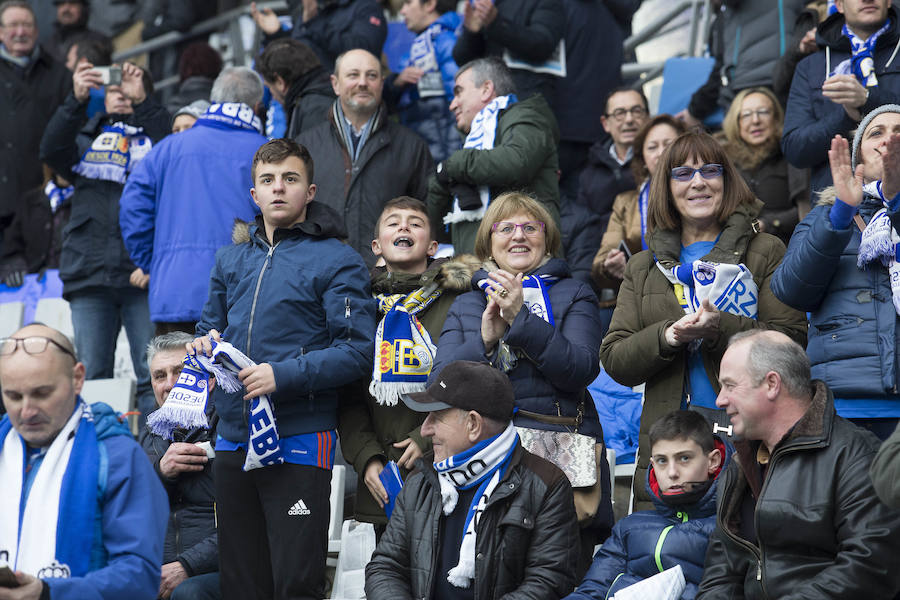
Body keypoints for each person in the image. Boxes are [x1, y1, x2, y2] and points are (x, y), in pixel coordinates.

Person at [188, 138, 376, 600]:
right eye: (267, 181)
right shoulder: (229, 259)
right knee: (241, 580)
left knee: (294, 581)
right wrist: (201, 344)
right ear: (254, 194)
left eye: (289, 179)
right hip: (233, 435)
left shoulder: (338, 260)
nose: (278, 189)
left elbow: (358, 351)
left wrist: (283, 374)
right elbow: (209, 328)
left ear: (309, 191)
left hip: (300, 437)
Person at [598, 131, 807, 511]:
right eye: (683, 173)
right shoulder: (643, 267)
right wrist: (669, 335)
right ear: (666, 187)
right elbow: (615, 358)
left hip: (749, 441)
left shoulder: (765, 250)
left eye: (710, 170)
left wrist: (720, 329)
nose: (698, 182)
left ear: (727, 181)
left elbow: (791, 343)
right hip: (669, 453)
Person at [430, 191, 611, 573]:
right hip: (484, 456)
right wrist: (485, 340)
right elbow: (440, 382)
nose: (519, 235)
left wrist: (521, 321)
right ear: (488, 242)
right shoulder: (466, 303)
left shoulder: (574, 292)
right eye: (506, 228)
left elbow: (580, 369)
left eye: (531, 227)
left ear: (547, 240)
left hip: (556, 457)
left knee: (555, 574)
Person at [696, 330, 900, 599]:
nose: (719, 400)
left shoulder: (855, 455)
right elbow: (720, 575)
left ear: (772, 384)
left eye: (730, 386)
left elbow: (871, 566)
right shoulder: (740, 464)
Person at [364, 360, 579, 600]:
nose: (424, 430)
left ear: (474, 424)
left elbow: (549, 582)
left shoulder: (547, 485)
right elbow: (385, 567)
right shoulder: (420, 479)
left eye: (436, 416)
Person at [40, 60, 168, 431]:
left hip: (142, 274)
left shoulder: (160, 136)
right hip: (90, 274)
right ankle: (100, 457)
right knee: (94, 375)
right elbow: (50, 149)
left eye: (131, 86)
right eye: (115, 88)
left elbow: (171, 144)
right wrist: (76, 99)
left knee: (154, 376)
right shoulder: (84, 138)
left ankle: (154, 458)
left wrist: (144, 104)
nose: (123, 93)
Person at [0, 323, 168, 600]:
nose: (27, 411)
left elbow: (140, 576)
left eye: (42, 393)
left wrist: (49, 593)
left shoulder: (119, 457)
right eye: (13, 396)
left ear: (78, 378)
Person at [339, 196, 478, 530]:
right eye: (393, 222)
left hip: (444, 466)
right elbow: (348, 396)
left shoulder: (458, 300)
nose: (403, 226)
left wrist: (426, 439)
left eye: (415, 223)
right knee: (386, 577)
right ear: (376, 245)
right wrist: (367, 458)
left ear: (432, 246)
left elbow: (468, 379)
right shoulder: (357, 307)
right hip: (381, 479)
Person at [773, 103, 900, 439]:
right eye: (877, 133)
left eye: (899, 133)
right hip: (844, 409)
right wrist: (841, 214)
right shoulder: (825, 217)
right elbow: (791, 290)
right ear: (858, 160)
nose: (890, 140)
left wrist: (896, 204)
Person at [119, 66, 268, 335]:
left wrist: (152, 262)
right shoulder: (265, 151)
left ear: (214, 101)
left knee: (175, 377)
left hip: (174, 293)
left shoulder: (168, 147)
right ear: (257, 107)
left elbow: (132, 203)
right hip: (242, 298)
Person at [567, 410, 731, 600]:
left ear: (713, 461)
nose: (672, 472)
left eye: (684, 458)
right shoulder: (629, 527)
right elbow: (592, 590)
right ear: (652, 464)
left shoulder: (729, 529)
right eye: (662, 461)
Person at [297, 48, 433, 267]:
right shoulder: (305, 146)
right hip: (317, 275)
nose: (362, 83)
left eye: (371, 75)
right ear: (335, 84)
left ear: (381, 83)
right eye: (353, 75)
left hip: (387, 282)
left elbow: (427, 217)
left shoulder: (412, 147)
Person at [427, 57, 560, 254]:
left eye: (458, 92)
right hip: (475, 274)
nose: (452, 104)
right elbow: (439, 229)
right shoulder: (472, 143)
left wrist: (453, 165)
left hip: (526, 271)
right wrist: (440, 181)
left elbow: (516, 161)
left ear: (486, 89)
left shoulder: (527, 116)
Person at [783, 0, 900, 200]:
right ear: (839, 5)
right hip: (836, 205)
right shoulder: (811, 66)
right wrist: (846, 116)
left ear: (889, 1)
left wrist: (868, 100)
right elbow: (795, 149)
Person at [140, 332, 220, 600]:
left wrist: (187, 565)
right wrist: (162, 473)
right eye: (159, 376)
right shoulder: (146, 437)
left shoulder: (232, 431)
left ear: (207, 380)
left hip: (220, 570)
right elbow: (134, 513)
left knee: (189, 593)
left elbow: (248, 521)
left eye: (180, 372)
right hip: (156, 572)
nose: (170, 384)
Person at [590, 114, 685, 334]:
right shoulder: (626, 203)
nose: (661, 152)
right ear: (642, 157)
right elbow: (599, 265)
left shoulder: (699, 192)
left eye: (669, 144)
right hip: (642, 298)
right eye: (652, 147)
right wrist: (612, 266)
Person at [564, 87, 648, 306]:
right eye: (619, 113)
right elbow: (585, 229)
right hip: (599, 266)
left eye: (636, 111)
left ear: (648, 117)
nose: (629, 119)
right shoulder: (588, 171)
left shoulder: (659, 163)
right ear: (605, 123)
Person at [0, 0, 70, 243]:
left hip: (41, 206)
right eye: (13, 25)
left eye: (26, 25)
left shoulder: (59, 75)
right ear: (0, 31)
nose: (20, 32)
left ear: (37, 31)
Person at [675, 0, 805, 128]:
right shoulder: (723, 18)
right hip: (786, 89)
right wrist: (695, 110)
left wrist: (695, 110)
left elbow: (720, 73)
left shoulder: (725, 19)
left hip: (756, 94)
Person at [721, 87, 809, 246]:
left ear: (776, 118)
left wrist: (768, 223)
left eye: (763, 112)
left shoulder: (792, 154)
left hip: (787, 245)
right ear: (736, 122)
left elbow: (807, 208)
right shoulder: (725, 161)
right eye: (746, 115)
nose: (755, 120)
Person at [386, 0, 461, 163]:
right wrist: (398, 82)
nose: (403, 11)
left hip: (444, 154)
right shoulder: (418, 47)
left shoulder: (446, 41)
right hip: (422, 148)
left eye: (408, 3)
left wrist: (453, 162)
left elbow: (458, 105)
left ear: (429, 5)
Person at [452, 0, 564, 101]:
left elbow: (542, 45)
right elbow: (461, 59)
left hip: (527, 101)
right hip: (487, 100)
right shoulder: (488, 3)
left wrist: (496, 22)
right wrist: (472, 33)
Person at [249, 0, 387, 73]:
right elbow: (298, 52)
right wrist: (277, 34)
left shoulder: (365, 7)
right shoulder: (311, 7)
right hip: (301, 100)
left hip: (338, 102)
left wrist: (314, 21)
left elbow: (363, 51)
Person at [255, 38, 334, 139]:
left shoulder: (312, 112)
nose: (272, 94)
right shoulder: (325, 92)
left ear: (280, 82)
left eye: (269, 86)